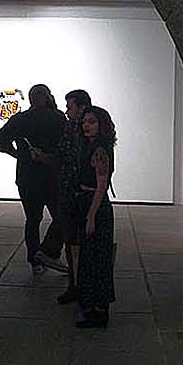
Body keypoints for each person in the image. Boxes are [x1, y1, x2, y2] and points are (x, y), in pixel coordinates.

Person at [0, 82, 69, 275]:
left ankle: (36, 260)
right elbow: (67, 148)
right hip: (52, 176)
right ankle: (49, 252)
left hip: (27, 177)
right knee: (62, 216)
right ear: (47, 97)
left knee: (33, 220)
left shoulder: (20, 119)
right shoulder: (58, 118)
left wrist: (18, 154)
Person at [73, 105, 118, 328]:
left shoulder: (100, 150)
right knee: (90, 258)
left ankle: (98, 310)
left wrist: (91, 216)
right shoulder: (89, 146)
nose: (86, 126)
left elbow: (101, 185)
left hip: (96, 207)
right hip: (87, 203)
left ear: (101, 125)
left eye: (91, 122)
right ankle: (92, 307)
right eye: (84, 122)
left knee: (97, 259)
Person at [50, 88, 93, 303]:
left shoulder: (87, 133)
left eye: (70, 107)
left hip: (79, 194)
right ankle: (75, 284)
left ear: (81, 107)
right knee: (71, 241)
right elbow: (62, 155)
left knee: (81, 243)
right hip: (68, 191)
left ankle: (81, 286)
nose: (67, 111)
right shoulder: (71, 128)